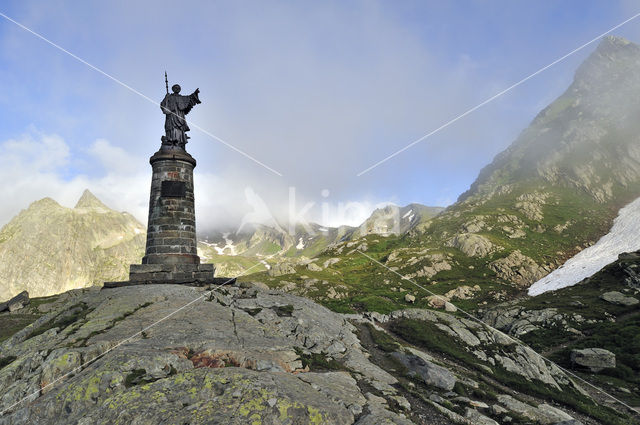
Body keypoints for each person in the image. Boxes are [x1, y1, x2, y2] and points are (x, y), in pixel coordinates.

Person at [160, 84, 201, 150]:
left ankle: (179, 142)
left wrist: (195, 93)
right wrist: (166, 98)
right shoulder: (169, 96)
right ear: (173, 89)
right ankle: (171, 141)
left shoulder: (182, 98)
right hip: (171, 116)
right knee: (171, 128)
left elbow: (190, 98)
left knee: (179, 129)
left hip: (179, 116)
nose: (177, 89)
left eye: (178, 88)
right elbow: (163, 105)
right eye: (175, 88)